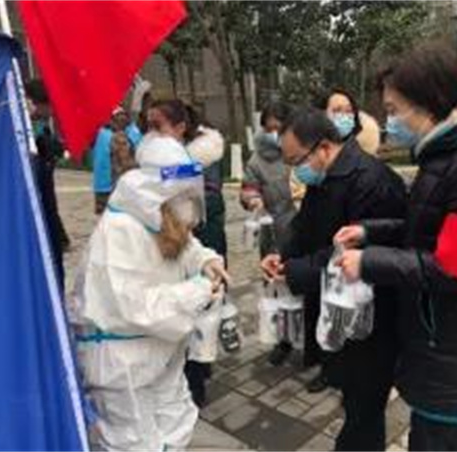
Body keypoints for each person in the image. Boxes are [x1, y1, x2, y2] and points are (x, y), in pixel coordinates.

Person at [334, 43, 457, 452]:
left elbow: (456, 269)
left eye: (394, 109)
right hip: (440, 347)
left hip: (455, 355)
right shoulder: (445, 156)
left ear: (428, 102)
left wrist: (368, 262)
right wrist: (368, 232)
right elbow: (426, 227)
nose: (389, 122)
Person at [261, 107, 407, 449]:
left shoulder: (373, 180)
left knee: (364, 408)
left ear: (324, 147)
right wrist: (282, 256)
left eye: (297, 161)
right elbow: (304, 228)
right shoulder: (325, 176)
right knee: (352, 395)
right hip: (340, 307)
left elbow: (352, 254)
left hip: (373, 317)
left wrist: (295, 271)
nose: (295, 171)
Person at [73, 134, 230, 451]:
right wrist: (199, 290)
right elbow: (139, 307)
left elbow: (185, 246)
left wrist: (206, 260)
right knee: (134, 443)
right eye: (182, 195)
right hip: (123, 367)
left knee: (176, 423)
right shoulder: (118, 231)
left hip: (160, 351)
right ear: (159, 191)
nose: (189, 204)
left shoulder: (157, 216)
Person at [145, 99, 228, 407]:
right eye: (147, 126)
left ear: (180, 127)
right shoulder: (154, 158)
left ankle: (197, 379)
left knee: (200, 308)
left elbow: (209, 200)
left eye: (158, 126)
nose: (151, 133)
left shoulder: (204, 155)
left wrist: (174, 181)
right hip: (168, 245)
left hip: (200, 239)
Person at [240, 102, 298, 366]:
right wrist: (252, 198)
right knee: (277, 289)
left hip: (304, 230)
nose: (275, 134)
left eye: (280, 128)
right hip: (274, 235)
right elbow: (248, 188)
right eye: (269, 128)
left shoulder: (300, 150)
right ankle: (284, 340)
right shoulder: (257, 160)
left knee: (307, 287)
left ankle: (315, 346)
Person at [25, 79, 70, 289]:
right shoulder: (21, 129)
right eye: (50, 105)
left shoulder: (42, 129)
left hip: (48, 205)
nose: (53, 111)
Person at [91, 107, 142, 214]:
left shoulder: (130, 133)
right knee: (109, 216)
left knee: (113, 216)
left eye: (123, 119)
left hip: (113, 184)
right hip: (107, 184)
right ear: (111, 120)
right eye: (118, 119)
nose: (121, 121)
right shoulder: (107, 134)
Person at [316, 87, 381, 156]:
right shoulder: (311, 153)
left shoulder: (361, 158)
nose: (344, 117)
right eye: (337, 111)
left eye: (348, 111)